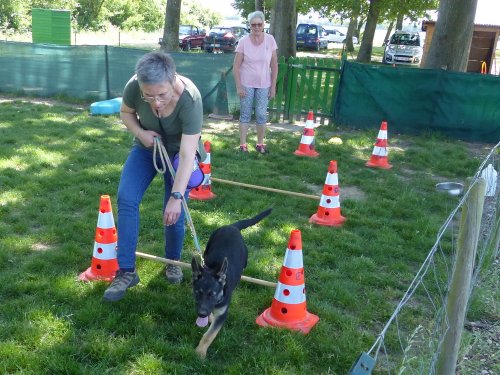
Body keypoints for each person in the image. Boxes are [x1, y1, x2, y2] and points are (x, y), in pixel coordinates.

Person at [103, 51, 204, 302]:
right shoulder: (133, 87)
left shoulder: (190, 99)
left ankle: (172, 261)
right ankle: (126, 271)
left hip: (180, 155)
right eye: (148, 96)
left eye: (162, 95)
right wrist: (139, 132)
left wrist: (176, 196)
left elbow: (188, 151)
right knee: (126, 198)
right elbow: (126, 112)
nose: (156, 102)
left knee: (173, 212)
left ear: (173, 81)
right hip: (147, 147)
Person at [233, 11, 278, 154]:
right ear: (250, 26)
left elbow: (274, 65)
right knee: (245, 114)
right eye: (254, 25)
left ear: (264, 24)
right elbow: (236, 66)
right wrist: (239, 86)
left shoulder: (270, 40)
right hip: (246, 83)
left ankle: (260, 144)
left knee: (260, 114)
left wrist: (273, 86)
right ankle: (243, 145)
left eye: (259, 24)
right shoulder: (243, 41)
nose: (257, 27)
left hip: (264, 84)